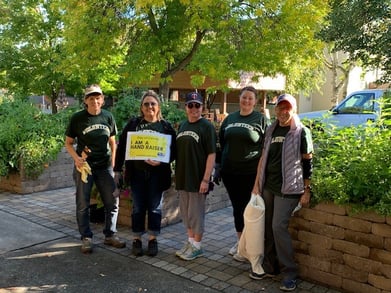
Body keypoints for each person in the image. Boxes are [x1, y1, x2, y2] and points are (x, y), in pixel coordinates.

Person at [252, 94, 313, 292]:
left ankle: (290, 272)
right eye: (280, 108)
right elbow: (264, 158)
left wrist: (306, 189)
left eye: (287, 108)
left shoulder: (301, 131)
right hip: (269, 185)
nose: (283, 111)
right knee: (268, 227)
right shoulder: (271, 129)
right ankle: (271, 266)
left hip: (289, 188)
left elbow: (307, 161)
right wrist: (257, 184)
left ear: (293, 109)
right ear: (276, 109)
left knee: (278, 226)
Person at [114, 90, 176, 257]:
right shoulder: (134, 125)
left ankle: (152, 239)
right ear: (141, 107)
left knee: (155, 208)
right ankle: (137, 239)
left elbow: (174, 151)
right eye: (146, 104)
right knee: (138, 207)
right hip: (137, 175)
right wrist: (117, 170)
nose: (150, 107)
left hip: (158, 175)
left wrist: (162, 160)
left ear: (158, 107)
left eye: (153, 104)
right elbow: (121, 149)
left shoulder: (165, 127)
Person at [65, 84, 126, 254]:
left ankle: (110, 235)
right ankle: (86, 237)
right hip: (85, 168)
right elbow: (68, 143)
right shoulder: (78, 118)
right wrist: (76, 158)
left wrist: (113, 165)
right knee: (83, 203)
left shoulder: (108, 116)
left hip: (104, 167)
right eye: (91, 98)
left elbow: (113, 142)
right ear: (85, 100)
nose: (95, 101)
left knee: (112, 201)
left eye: (98, 97)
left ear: (103, 99)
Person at [217, 86, 269, 258]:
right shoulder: (229, 119)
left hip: (250, 174)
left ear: (255, 101)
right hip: (230, 173)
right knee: (237, 209)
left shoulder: (260, 120)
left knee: (250, 210)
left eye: (250, 98)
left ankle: (251, 246)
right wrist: (219, 166)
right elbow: (222, 142)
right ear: (239, 98)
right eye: (244, 97)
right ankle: (241, 244)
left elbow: (266, 148)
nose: (246, 101)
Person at [175, 92, 216, 261]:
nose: (194, 109)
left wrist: (206, 179)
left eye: (197, 105)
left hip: (198, 178)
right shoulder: (183, 125)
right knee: (185, 212)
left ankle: (198, 246)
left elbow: (211, 154)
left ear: (202, 107)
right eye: (190, 105)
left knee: (196, 213)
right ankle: (190, 242)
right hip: (183, 177)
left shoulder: (206, 127)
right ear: (186, 108)